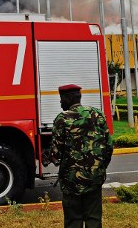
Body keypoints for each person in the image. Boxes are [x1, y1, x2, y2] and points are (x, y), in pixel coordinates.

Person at [48, 84, 113, 228]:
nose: (60, 103)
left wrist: (51, 157)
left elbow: (56, 153)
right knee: (94, 219)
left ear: (68, 98)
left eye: (61, 99)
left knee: (73, 221)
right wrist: (99, 168)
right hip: (94, 178)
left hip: (71, 180)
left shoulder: (62, 119)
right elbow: (109, 146)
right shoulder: (97, 114)